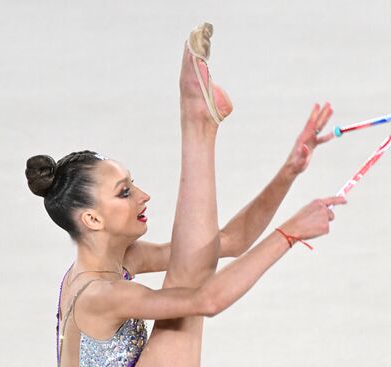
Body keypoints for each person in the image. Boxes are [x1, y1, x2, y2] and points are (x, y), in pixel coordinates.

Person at [25, 23, 345, 367]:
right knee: (185, 297)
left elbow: (231, 241)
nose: (143, 196)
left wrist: (289, 172)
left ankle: (198, 121)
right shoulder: (102, 294)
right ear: (92, 218)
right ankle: (197, 123)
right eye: (125, 193)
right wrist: (289, 234)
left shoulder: (118, 264)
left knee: (190, 266)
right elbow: (207, 301)